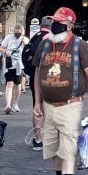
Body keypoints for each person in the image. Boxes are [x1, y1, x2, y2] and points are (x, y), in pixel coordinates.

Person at [32, 7, 88, 175]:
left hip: (70, 104)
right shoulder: (44, 44)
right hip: (49, 105)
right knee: (54, 150)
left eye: (61, 22)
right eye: (54, 20)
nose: (56, 24)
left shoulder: (79, 46)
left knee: (68, 149)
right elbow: (37, 73)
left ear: (71, 25)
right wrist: (37, 101)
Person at [24, 16, 52, 150]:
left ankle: (37, 138)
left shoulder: (35, 37)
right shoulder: (49, 39)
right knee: (47, 108)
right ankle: (45, 137)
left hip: (34, 77)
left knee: (37, 107)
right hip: (47, 78)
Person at [0, 25, 25, 114]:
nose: (17, 34)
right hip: (9, 63)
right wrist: (6, 52)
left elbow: (29, 48)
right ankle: (8, 105)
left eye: (19, 32)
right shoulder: (8, 38)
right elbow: (1, 48)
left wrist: (25, 42)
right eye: (16, 32)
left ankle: (15, 104)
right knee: (9, 84)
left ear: (22, 32)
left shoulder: (24, 39)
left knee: (18, 85)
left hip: (19, 64)